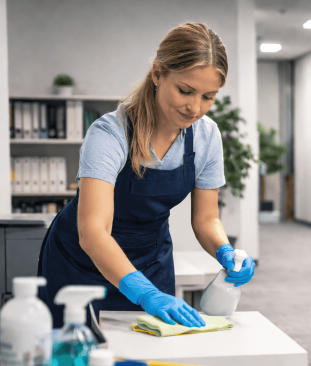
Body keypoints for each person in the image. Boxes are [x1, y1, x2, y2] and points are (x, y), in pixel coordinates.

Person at [39, 22, 255, 328]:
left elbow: (206, 219)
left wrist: (225, 250)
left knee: (154, 357)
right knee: (80, 359)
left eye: (208, 96)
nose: (195, 108)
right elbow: (93, 232)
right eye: (185, 90)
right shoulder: (109, 134)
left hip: (150, 261)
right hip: (81, 265)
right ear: (157, 74)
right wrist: (144, 293)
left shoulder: (207, 137)